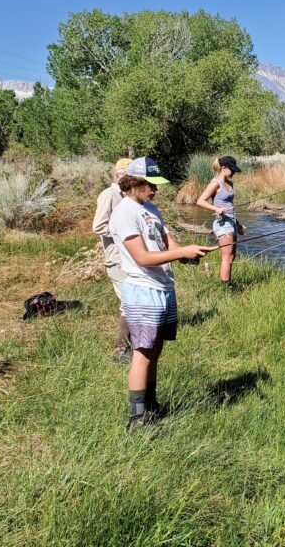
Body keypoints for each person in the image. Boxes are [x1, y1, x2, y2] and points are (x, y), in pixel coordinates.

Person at [109, 157, 214, 428]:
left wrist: (187, 255)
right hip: (143, 290)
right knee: (142, 353)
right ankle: (137, 417)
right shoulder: (124, 213)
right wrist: (181, 252)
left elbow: (168, 242)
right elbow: (142, 258)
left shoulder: (151, 208)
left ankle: (151, 405)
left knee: (155, 352)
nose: (155, 190)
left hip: (164, 287)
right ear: (134, 183)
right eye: (150, 185)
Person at [92, 158, 133, 363]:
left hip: (131, 259)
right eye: (123, 174)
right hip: (116, 259)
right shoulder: (109, 195)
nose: (125, 177)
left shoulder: (129, 196)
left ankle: (132, 344)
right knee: (128, 303)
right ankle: (121, 349)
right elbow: (98, 226)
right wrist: (124, 231)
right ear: (116, 175)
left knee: (134, 301)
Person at [196, 155, 246, 286]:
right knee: (227, 256)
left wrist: (238, 223)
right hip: (222, 224)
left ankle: (227, 283)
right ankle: (226, 287)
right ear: (224, 168)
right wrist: (216, 209)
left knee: (232, 255)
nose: (234, 172)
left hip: (231, 222)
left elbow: (230, 207)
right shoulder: (215, 183)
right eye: (232, 169)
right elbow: (200, 201)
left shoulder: (229, 183)